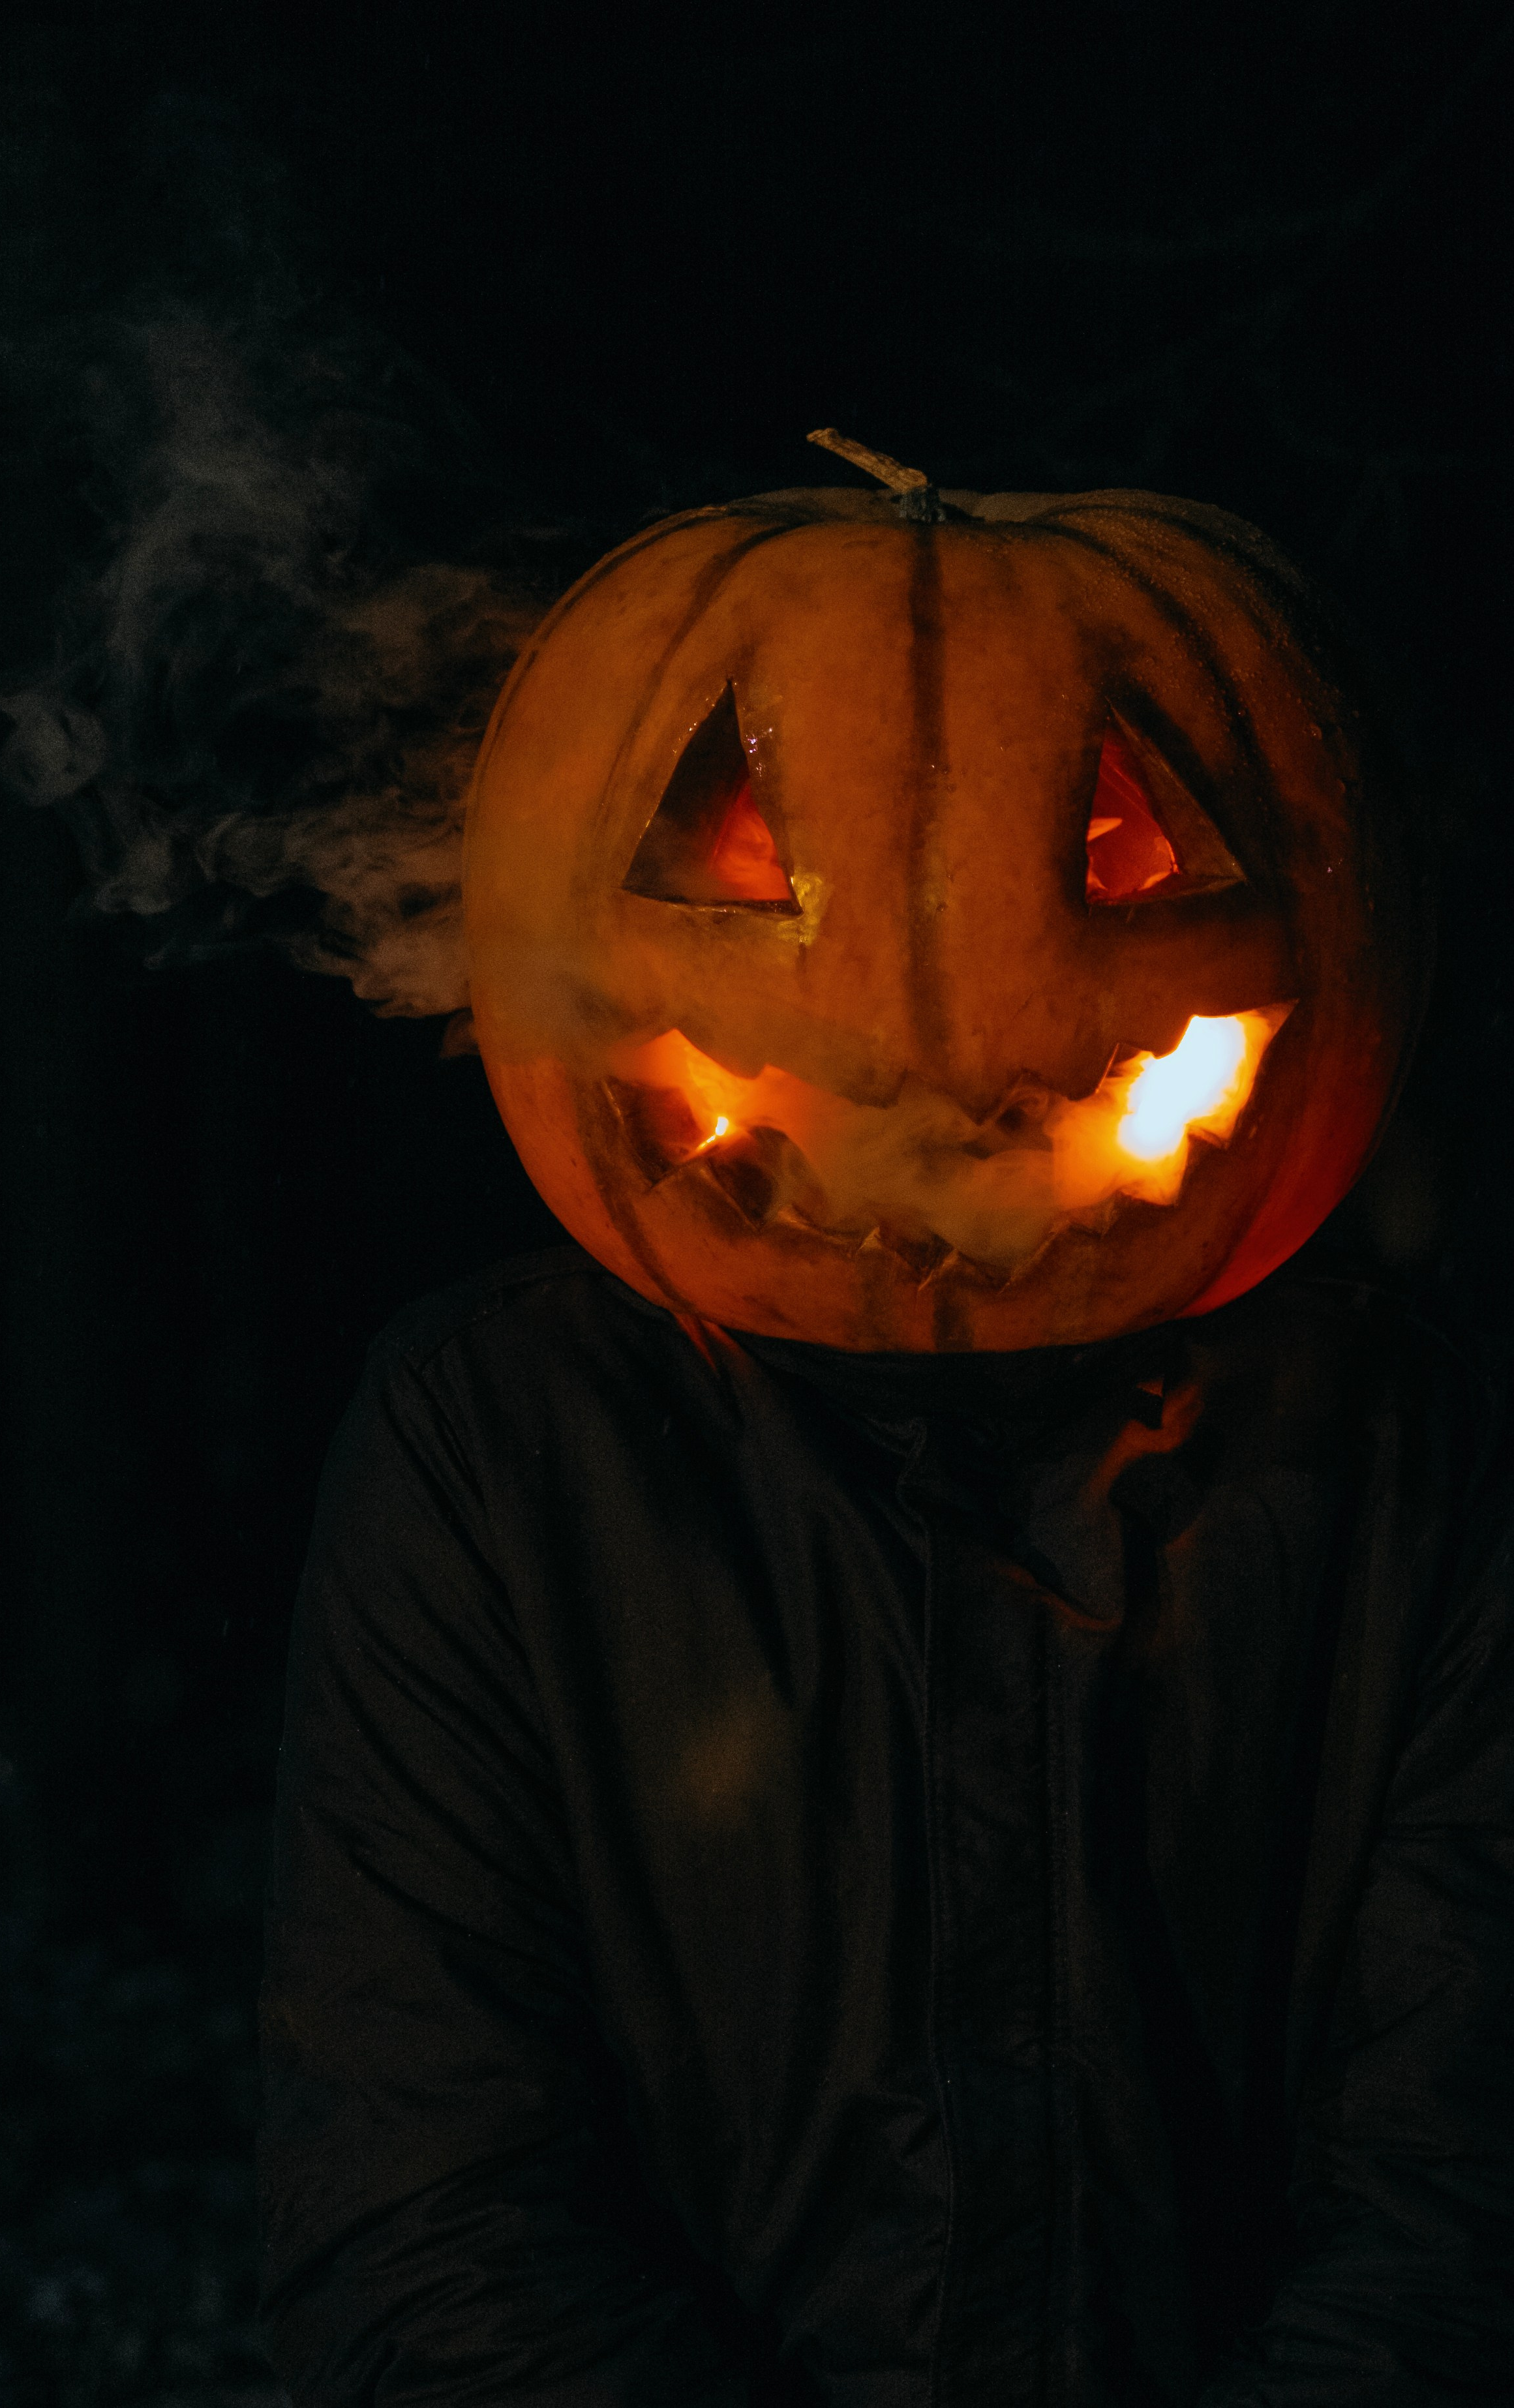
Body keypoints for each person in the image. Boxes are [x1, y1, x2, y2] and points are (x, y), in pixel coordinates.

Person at [254, 469, 1514, 2403]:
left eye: (1113, 836)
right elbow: (433, 2213)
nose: (940, 1001)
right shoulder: (499, 1452)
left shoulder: (1414, 1463)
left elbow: (1457, 2204)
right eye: (754, 854)